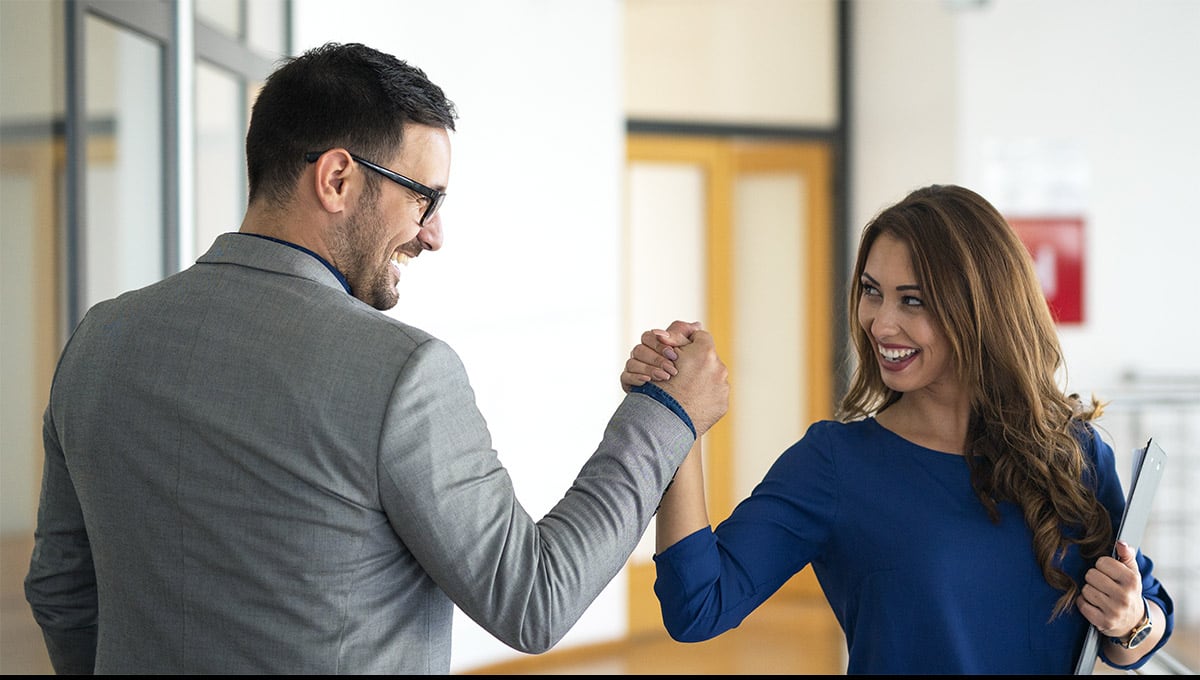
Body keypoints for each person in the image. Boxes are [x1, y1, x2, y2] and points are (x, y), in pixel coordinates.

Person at [24, 42, 729, 674]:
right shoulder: (404, 372)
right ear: (336, 179)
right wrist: (665, 414)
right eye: (425, 199)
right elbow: (534, 600)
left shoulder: (99, 341)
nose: (434, 234)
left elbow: (60, 591)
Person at [621, 184, 1174, 674]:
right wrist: (680, 425)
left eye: (913, 300)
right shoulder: (834, 464)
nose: (881, 323)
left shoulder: (1072, 455)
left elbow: (1141, 629)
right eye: (871, 291)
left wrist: (1130, 620)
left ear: (980, 308)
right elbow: (697, 607)